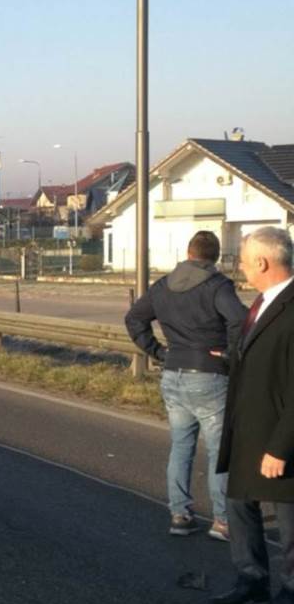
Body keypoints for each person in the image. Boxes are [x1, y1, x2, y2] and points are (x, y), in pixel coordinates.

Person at [125, 230, 247, 539]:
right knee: (220, 451)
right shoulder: (217, 286)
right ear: (215, 257)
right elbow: (239, 319)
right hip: (210, 374)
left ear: (188, 252)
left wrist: (156, 351)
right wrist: (231, 354)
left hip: (173, 372)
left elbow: (134, 318)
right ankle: (222, 521)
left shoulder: (163, 286)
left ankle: (179, 515)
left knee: (182, 446)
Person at [211, 227, 294, 604]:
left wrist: (281, 447)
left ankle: (292, 593)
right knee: (239, 500)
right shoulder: (261, 303)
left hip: (279, 434)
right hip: (248, 427)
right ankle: (251, 577)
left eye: (243, 261)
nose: (240, 268)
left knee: (290, 516)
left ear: (262, 262)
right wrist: (229, 357)